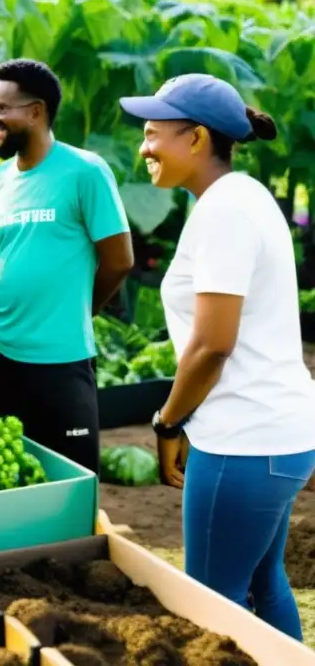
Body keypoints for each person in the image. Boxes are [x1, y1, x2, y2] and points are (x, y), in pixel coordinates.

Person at [120, 73, 315, 641]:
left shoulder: (225, 213)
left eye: (155, 133)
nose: (144, 147)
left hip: (241, 444)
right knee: (262, 583)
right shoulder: (242, 197)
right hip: (276, 436)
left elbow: (212, 345)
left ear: (198, 139)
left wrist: (167, 421)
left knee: (208, 610)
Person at [0, 59, 134, 474]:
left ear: (37, 111)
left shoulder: (85, 171)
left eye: (1, 109)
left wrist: (79, 309)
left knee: (72, 481)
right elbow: (8, 255)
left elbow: (120, 261)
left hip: (61, 360)